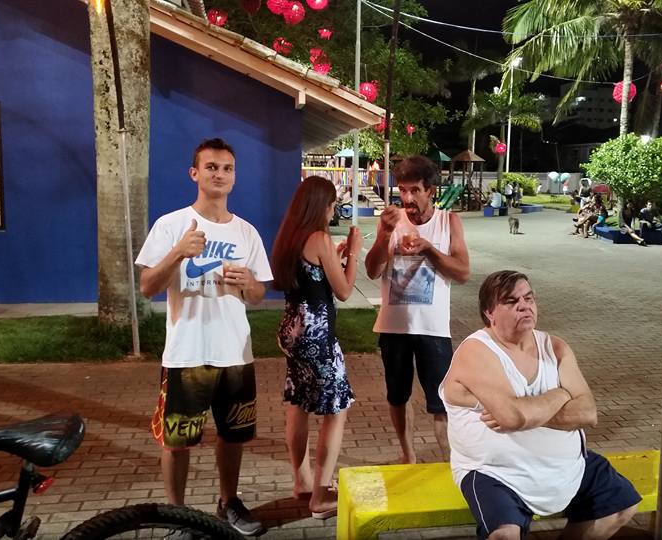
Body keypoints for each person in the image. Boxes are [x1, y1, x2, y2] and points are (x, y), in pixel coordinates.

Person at [135, 138, 270, 536]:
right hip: (186, 353)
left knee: (233, 436)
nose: (219, 174)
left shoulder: (247, 232)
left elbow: (259, 295)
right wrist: (178, 252)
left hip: (235, 354)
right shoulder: (171, 225)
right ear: (194, 173)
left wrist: (249, 282)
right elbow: (147, 286)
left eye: (227, 168)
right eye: (211, 167)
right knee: (177, 442)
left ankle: (228, 503)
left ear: (234, 176)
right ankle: (176, 517)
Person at [440, 271, 640, 540]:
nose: (524, 306)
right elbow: (513, 417)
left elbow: (588, 413)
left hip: (566, 466)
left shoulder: (555, 347)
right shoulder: (476, 351)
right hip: (497, 472)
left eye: (529, 298)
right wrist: (561, 394)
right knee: (504, 535)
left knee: (620, 506)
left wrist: (527, 412)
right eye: (511, 301)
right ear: (489, 312)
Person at [365, 155, 471, 463]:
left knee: (442, 402)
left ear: (431, 191)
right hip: (393, 327)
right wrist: (384, 236)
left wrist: (429, 249)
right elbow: (372, 270)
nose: (407, 198)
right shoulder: (391, 221)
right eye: (402, 190)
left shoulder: (449, 221)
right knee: (397, 396)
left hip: (433, 329)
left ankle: (450, 463)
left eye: (415, 190)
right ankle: (408, 456)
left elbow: (462, 272)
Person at [270, 176, 362, 519]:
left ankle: (303, 482)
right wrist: (353, 252)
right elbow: (345, 291)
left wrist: (335, 257)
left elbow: (312, 276)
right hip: (317, 336)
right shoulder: (319, 238)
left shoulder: (290, 237)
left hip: (292, 331)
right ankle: (321, 496)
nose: (333, 210)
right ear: (321, 206)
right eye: (332, 204)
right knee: (336, 411)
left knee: (299, 403)